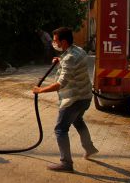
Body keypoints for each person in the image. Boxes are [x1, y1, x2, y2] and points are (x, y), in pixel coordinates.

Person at [32, 27, 98, 173]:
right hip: (85, 97)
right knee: (78, 120)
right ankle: (90, 147)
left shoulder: (69, 58)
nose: (53, 43)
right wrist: (59, 60)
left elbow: (61, 83)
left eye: (56, 41)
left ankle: (66, 163)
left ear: (64, 41)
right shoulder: (78, 50)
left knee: (60, 129)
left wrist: (40, 90)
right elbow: (70, 61)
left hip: (73, 99)